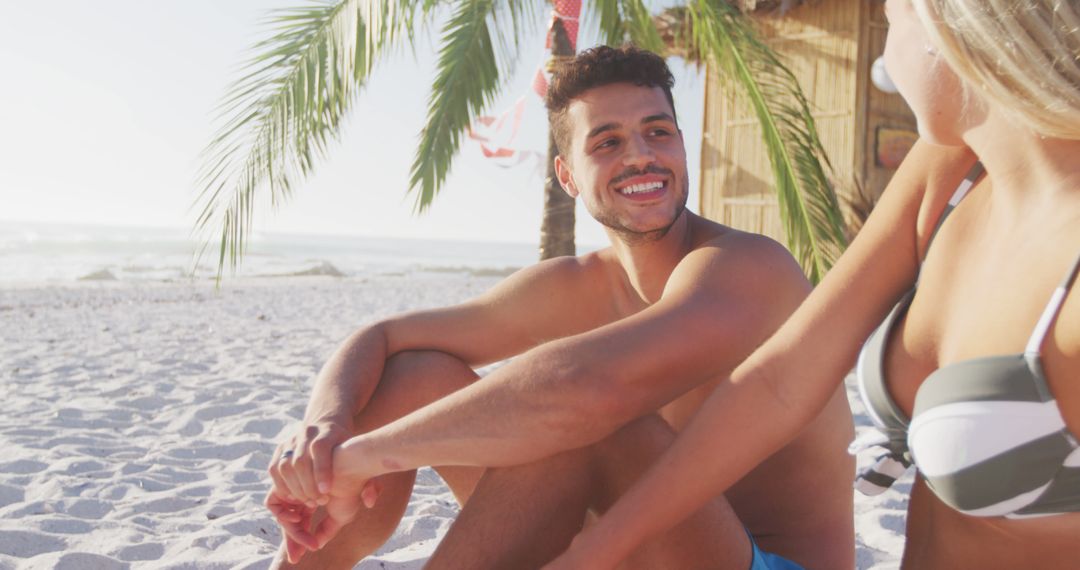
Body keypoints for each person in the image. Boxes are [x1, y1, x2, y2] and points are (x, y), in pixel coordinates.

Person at [265, 45, 856, 569]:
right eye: (607, 142)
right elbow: (386, 336)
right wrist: (324, 432)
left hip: (761, 561)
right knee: (416, 374)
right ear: (567, 176)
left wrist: (363, 459)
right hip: (618, 546)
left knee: (592, 426)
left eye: (659, 131)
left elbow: (586, 386)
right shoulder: (572, 286)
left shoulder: (745, 268)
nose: (642, 156)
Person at [543, 1, 1080, 569]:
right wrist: (593, 551)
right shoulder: (951, 172)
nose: (883, 54)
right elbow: (782, 379)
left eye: (893, 21)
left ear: (947, 29)